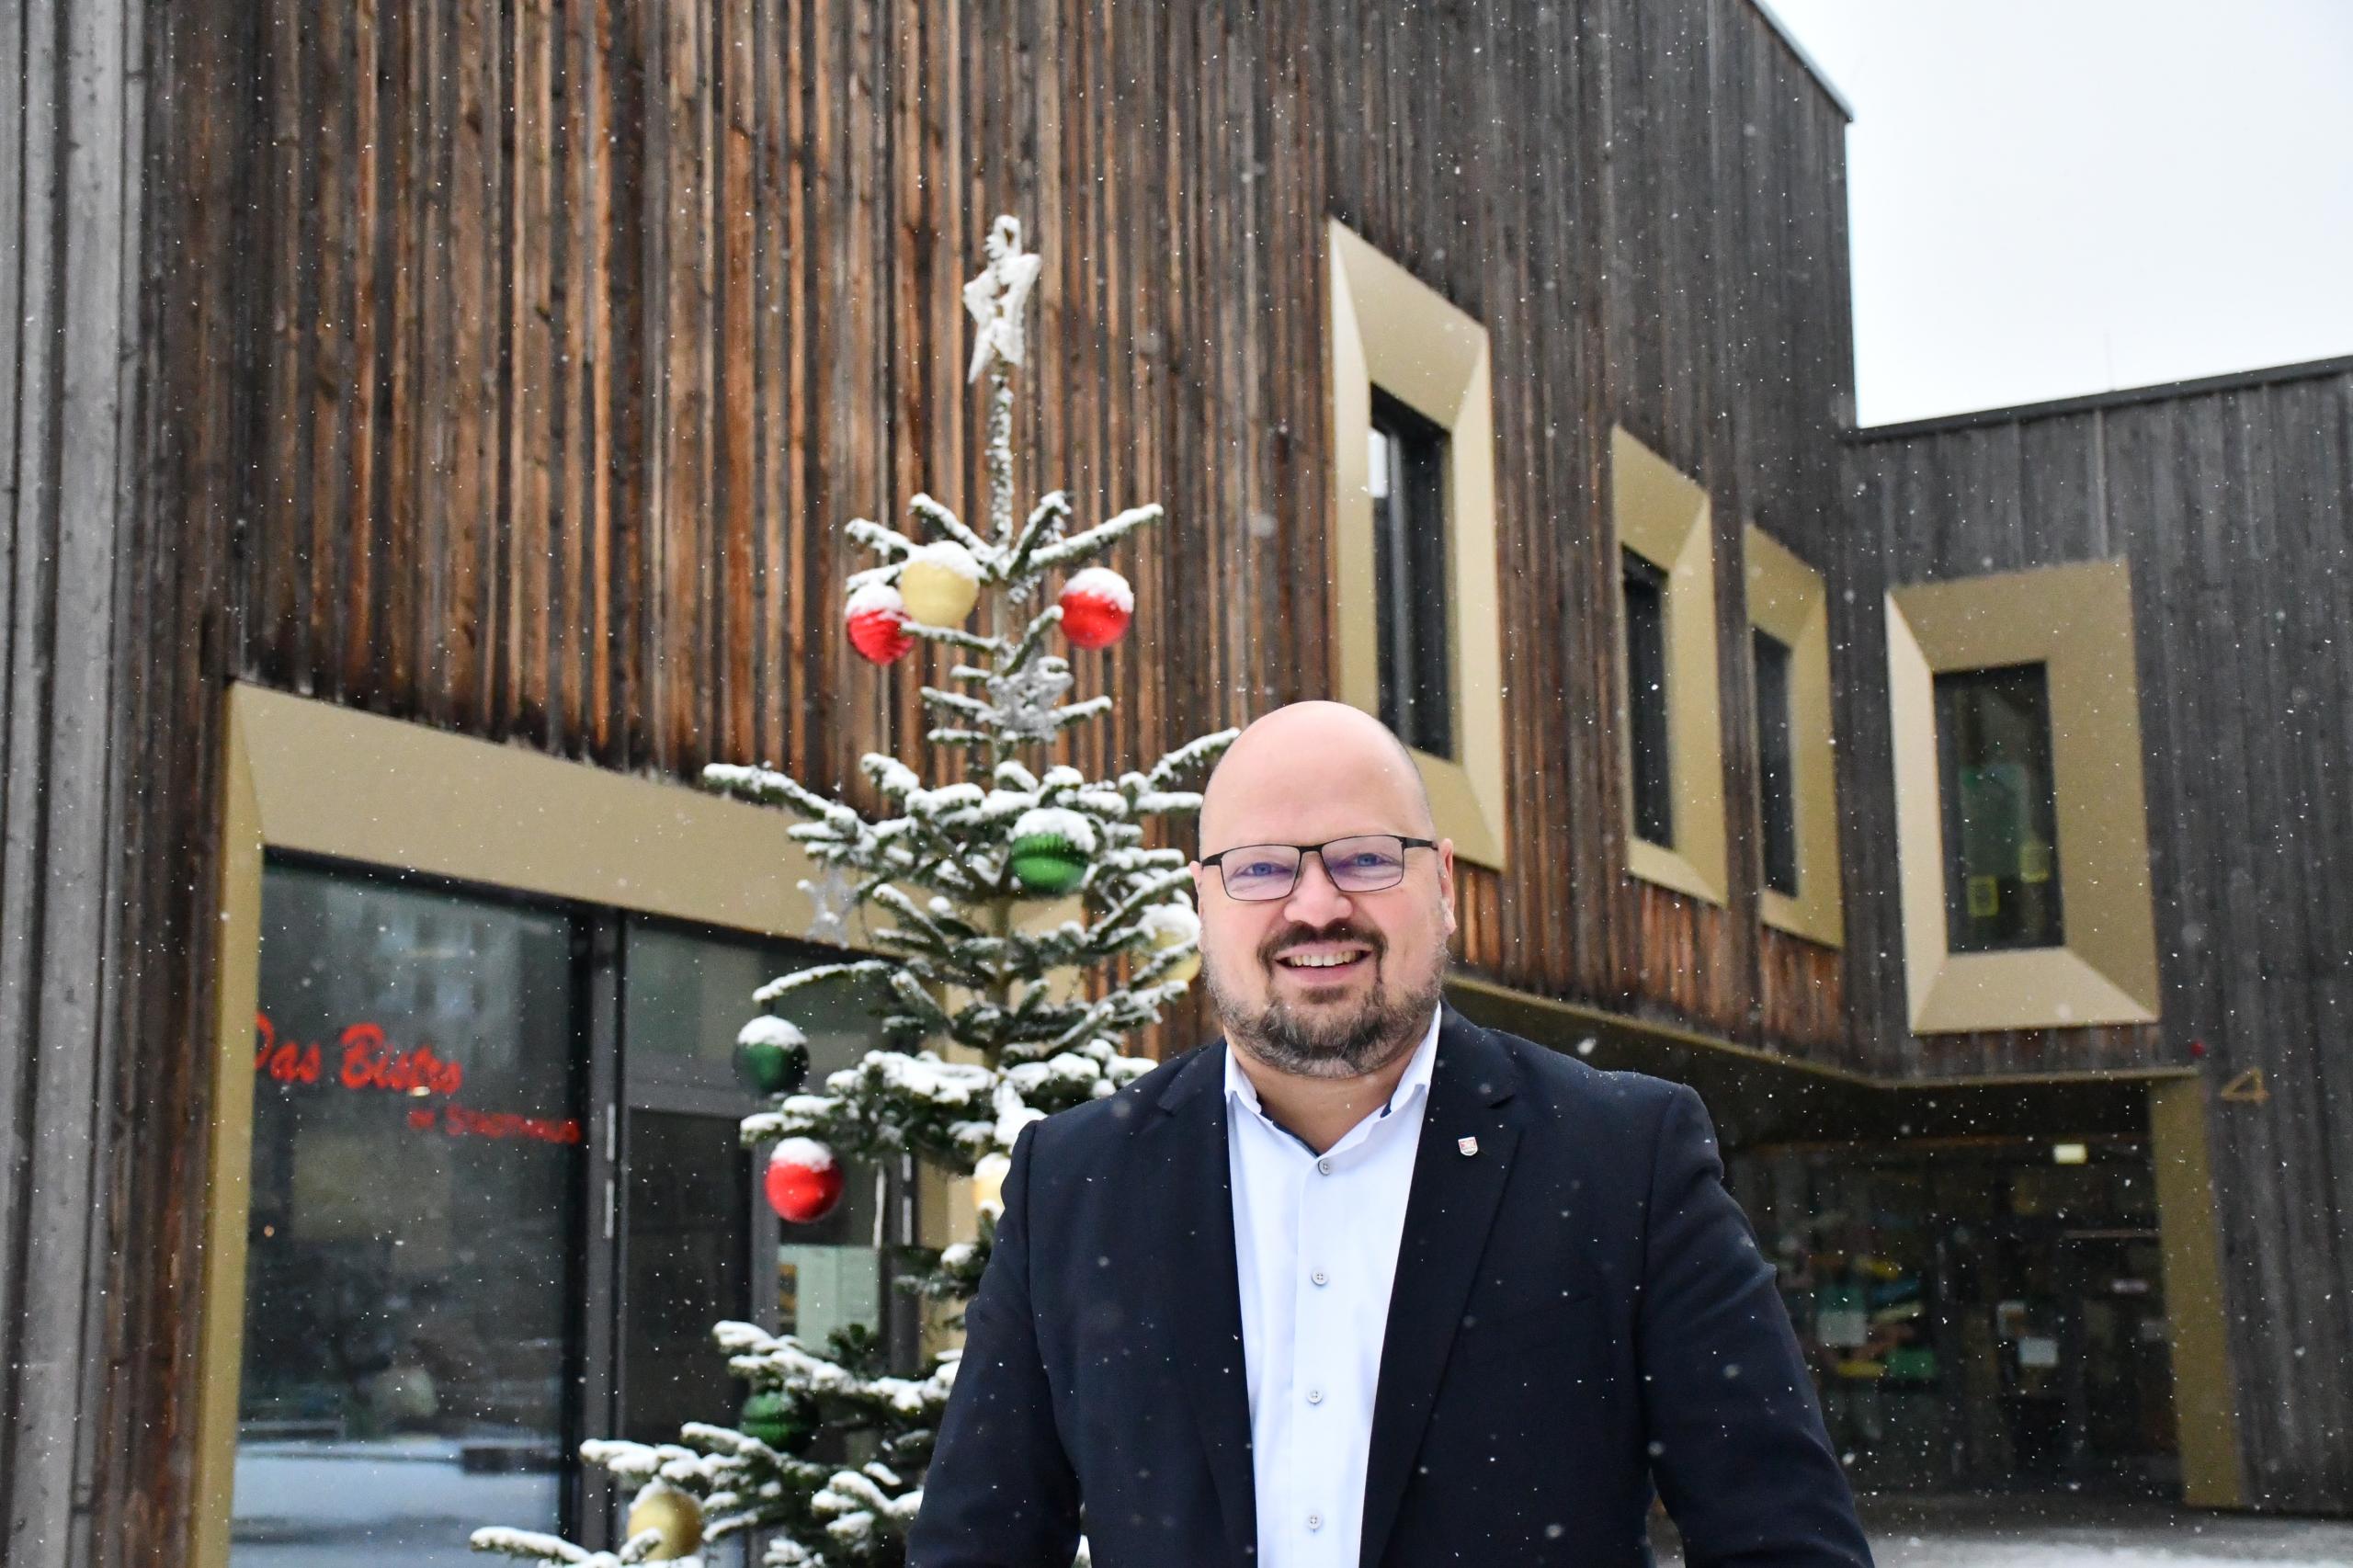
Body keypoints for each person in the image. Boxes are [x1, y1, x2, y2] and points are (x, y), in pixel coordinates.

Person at [910, 702, 1873, 1567]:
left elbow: (1781, 1540)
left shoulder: (1623, 1160)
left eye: (1366, 857)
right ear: (1202, 899)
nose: (1316, 903)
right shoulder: (1074, 1182)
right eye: (1260, 867)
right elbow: (976, 1543)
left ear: (1443, 881)